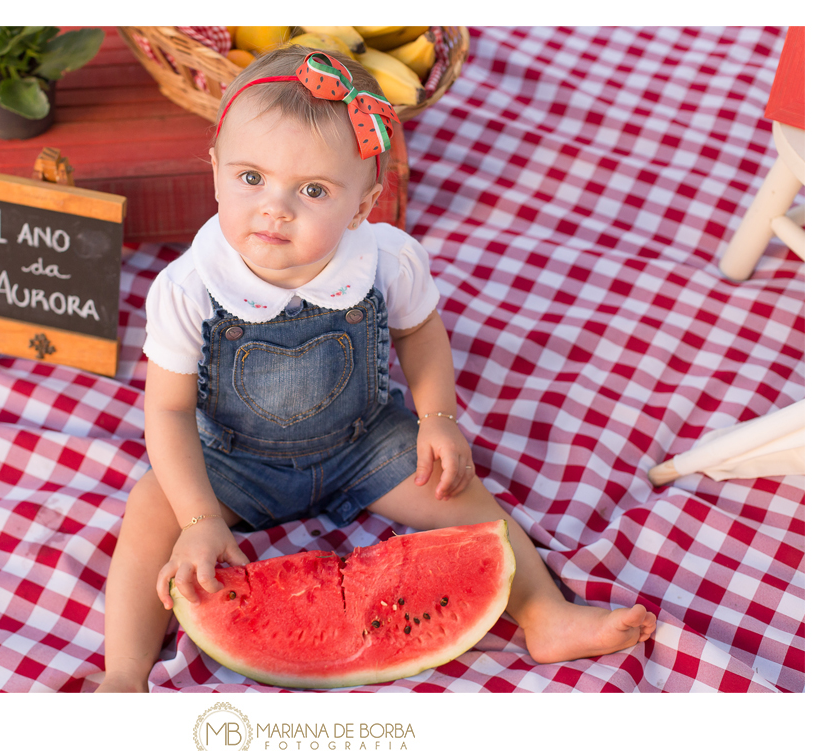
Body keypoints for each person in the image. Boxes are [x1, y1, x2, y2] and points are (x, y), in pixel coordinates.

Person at [97, 47, 655, 692]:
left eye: (313, 191)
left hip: (362, 440)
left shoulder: (386, 258)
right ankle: (126, 672)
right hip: (233, 460)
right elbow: (166, 410)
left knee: (468, 503)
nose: (275, 208)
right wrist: (198, 520)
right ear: (216, 166)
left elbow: (420, 334)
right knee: (148, 512)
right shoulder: (190, 286)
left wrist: (437, 418)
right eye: (251, 177)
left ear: (364, 205)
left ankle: (544, 613)